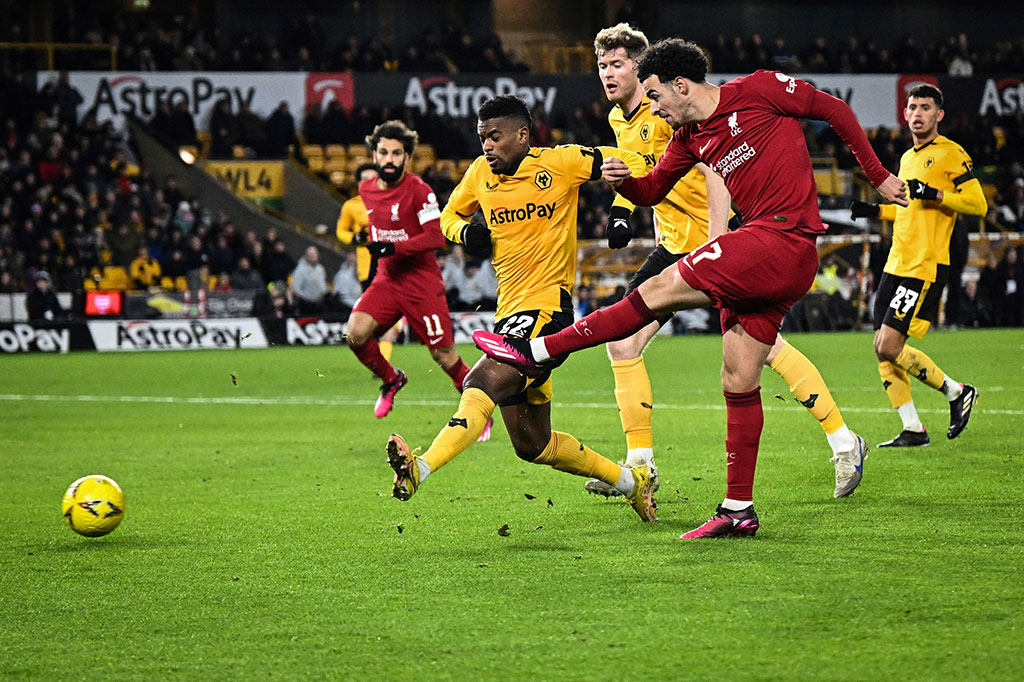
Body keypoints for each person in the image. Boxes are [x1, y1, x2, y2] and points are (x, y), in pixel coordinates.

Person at [474, 40, 906, 538]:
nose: (653, 106)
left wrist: (877, 175)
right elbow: (652, 189)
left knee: (654, 293)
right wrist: (620, 182)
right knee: (738, 377)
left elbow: (832, 109)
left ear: (680, 85)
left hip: (777, 237)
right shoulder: (688, 137)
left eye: (655, 95)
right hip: (759, 252)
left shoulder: (760, 89)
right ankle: (739, 508)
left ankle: (536, 349)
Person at [585, 24, 869, 501]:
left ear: (643, 69)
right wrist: (621, 211)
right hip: (674, 245)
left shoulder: (669, 111)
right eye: (602, 66)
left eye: (617, 65)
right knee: (625, 344)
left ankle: (842, 441)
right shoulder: (622, 121)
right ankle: (640, 466)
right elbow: (644, 179)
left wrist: (718, 239)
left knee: (760, 349)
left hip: (713, 244)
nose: (608, 74)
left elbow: (715, 170)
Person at [385, 95, 657, 524]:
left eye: (494, 137)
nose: (486, 146)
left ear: (522, 135)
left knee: (479, 380)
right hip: (508, 314)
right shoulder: (478, 175)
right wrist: (465, 234)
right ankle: (631, 482)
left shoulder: (561, 163)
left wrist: (623, 208)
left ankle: (420, 468)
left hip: (549, 311)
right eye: (481, 138)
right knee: (533, 444)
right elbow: (448, 218)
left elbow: (635, 160)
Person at [850, 84, 986, 447]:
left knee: (890, 345)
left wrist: (937, 194)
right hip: (897, 262)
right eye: (912, 107)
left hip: (923, 265)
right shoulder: (909, 157)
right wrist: (876, 211)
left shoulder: (950, 153)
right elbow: (908, 206)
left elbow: (978, 204)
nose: (917, 113)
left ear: (939, 114)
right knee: (880, 346)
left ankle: (956, 392)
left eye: (925, 107)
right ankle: (912, 428)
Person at [345, 119, 490, 440]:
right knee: (355, 334)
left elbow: (435, 237)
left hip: (421, 284)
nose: (389, 159)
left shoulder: (420, 192)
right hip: (387, 281)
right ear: (374, 154)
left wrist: (393, 246)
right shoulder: (366, 190)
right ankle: (391, 378)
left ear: (407, 157)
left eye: (397, 153)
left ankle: (479, 409)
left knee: (444, 356)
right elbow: (379, 226)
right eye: (383, 152)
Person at [290, 245, 328, 313]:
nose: (313, 256)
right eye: (310, 254)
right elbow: (295, 287)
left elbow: (323, 282)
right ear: (306, 256)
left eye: (314, 254)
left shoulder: (321, 269)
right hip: (306, 304)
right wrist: (306, 297)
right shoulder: (300, 270)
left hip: (320, 302)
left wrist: (323, 291)